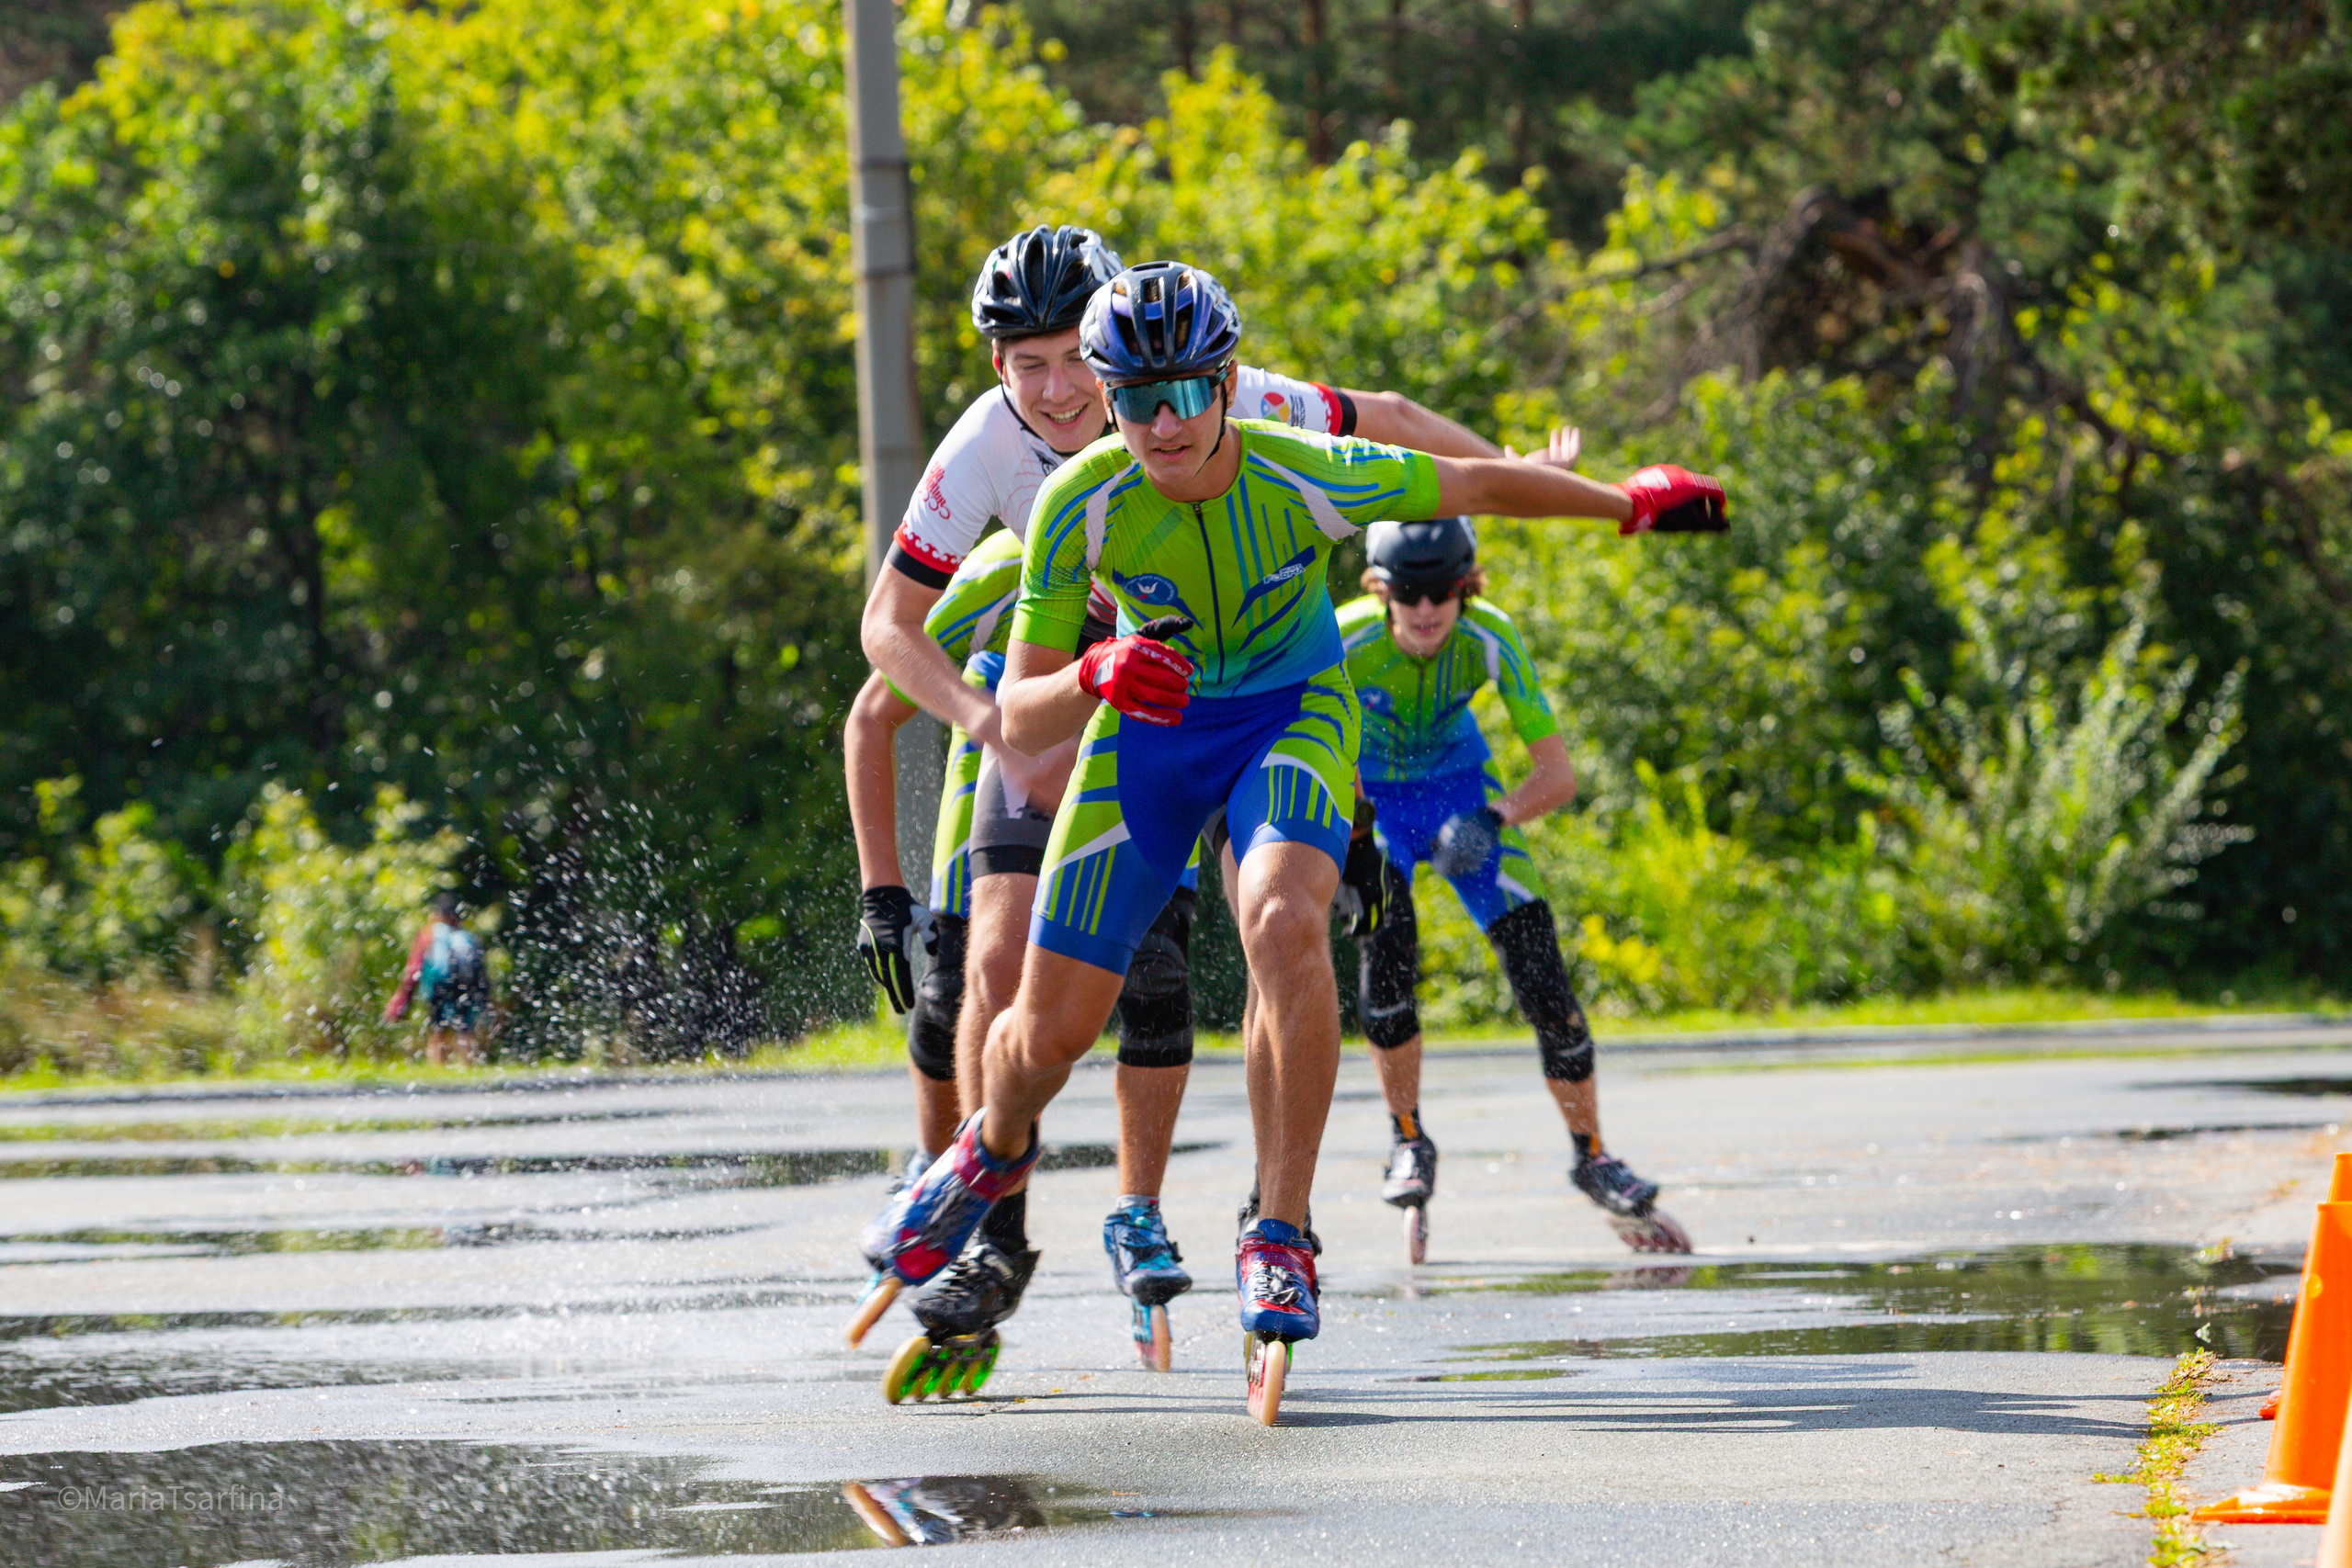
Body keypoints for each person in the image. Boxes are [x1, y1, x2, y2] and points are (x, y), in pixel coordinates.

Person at [862, 260, 1725, 1378]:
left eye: (1183, 393)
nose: (1159, 423)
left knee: (1280, 920)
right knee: (1044, 1035)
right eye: (1131, 398)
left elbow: (1476, 488)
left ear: (1227, 384)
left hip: (1288, 717)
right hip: (1146, 731)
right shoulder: (1080, 500)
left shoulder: (1305, 469)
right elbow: (1021, 714)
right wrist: (1100, 671)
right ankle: (989, 1147)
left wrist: (1623, 504)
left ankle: (1279, 1226)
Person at [1341, 514, 1690, 1255]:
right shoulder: (1344, 640)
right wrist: (1348, 837)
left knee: (1540, 967)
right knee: (1389, 945)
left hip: (1462, 793)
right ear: (1381, 590)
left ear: (1467, 588)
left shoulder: (1490, 636)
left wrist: (1493, 820)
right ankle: (1408, 1139)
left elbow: (1556, 774)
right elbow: (1298, 738)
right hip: (1369, 800)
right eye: (1410, 595)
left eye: (1443, 593)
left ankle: (1593, 1154)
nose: (1428, 611)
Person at [385, 893, 489, 1066]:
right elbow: (482, 972)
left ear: (437, 914)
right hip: (466, 985)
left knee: (438, 1028)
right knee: (464, 1029)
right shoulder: (469, 937)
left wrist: (402, 1000)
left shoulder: (429, 935)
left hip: (440, 985)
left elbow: (414, 969)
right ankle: (467, 1069)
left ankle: (438, 1072)